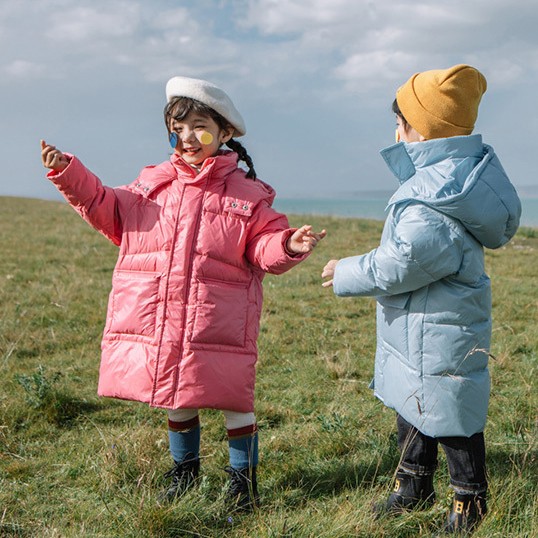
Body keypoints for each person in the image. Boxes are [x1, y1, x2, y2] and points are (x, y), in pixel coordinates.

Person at [41, 75, 326, 510]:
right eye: (179, 127)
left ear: (225, 133)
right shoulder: (152, 184)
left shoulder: (246, 194)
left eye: (199, 126)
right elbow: (105, 205)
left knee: (234, 403)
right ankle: (184, 473)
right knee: (176, 395)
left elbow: (262, 245)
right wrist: (68, 172)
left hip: (220, 321)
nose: (187, 137)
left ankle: (242, 485)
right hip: (163, 318)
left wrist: (287, 244)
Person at [321, 64, 520, 534]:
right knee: (411, 401)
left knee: (451, 413)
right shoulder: (451, 181)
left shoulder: (433, 197)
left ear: (422, 130)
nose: (396, 130)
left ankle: (470, 503)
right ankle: (412, 484)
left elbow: (402, 263)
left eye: (401, 122)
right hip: (421, 325)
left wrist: (345, 270)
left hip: (438, 329)